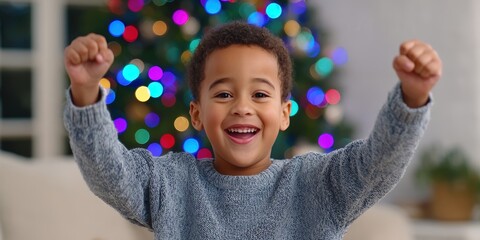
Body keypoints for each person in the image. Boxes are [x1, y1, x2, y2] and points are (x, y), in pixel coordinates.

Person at [63, 21, 441, 239]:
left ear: (284, 112)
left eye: (260, 94)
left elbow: (378, 163)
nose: (242, 106)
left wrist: (411, 97)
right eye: (224, 93)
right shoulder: (169, 183)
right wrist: (85, 92)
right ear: (197, 113)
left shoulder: (317, 185)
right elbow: (109, 173)